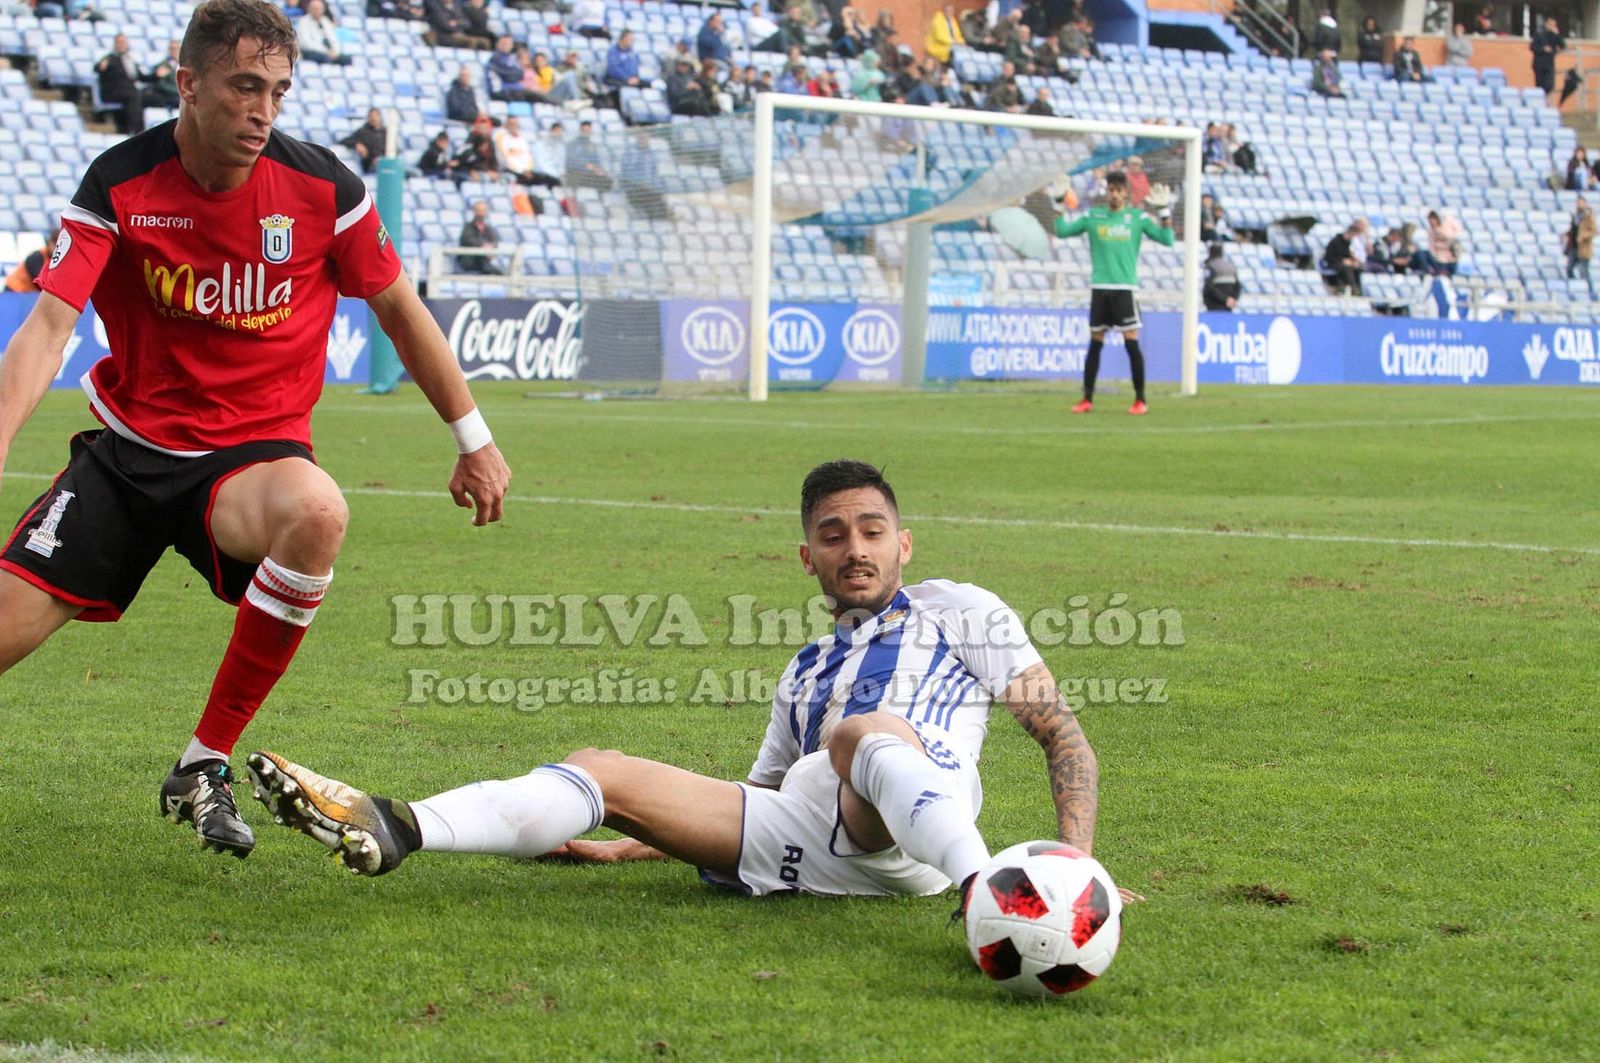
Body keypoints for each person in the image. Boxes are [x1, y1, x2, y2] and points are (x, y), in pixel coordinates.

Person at [0, 0, 510, 858]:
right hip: (127, 459)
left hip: (249, 461)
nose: (263, 110)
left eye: (278, 89)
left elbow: (398, 307)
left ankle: (203, 760)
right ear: (188, 82)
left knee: (319, 511)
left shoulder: (322, 187)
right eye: (244, 86)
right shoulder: (120, 180)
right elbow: (51, 324)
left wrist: (474, 436)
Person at [248, 460, 1127, 920]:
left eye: (872, 530)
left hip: (914, 824)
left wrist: (1078, 866)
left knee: (864, 734)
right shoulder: (803, 672)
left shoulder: (962, 609)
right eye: (832, 534)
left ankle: (992, 895)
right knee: (604, 769)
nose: (854, 547)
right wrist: (628, 841)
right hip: (813, 838)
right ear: (808, 556)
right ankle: (400, 825)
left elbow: (1063, 736)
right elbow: (757, 798)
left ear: (905, 545)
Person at [1054, 170, 1174, 415]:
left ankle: (1140, 400)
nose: (1115, 195)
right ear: (1106, 191)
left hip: (1125, 289)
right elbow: (1062, 231)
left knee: (1131, 343)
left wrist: (1164, 213)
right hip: (1100, 288)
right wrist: (1058, 204)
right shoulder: (1093, 217)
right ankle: (1086, 399)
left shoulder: (1137, 218)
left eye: (1119, 190)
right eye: (1111, 190)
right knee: (1095, 344)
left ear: (1126, 193)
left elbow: (1167, 239)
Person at [95, 33, 146, 134]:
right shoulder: (110, 58)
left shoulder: (130, 59)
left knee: (149, 97)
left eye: (123, 42)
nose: (121, 45)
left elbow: (141, 76)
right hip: (113, 92)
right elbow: (98, 68)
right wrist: (100, 67)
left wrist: (156, 76)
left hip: (128, 91)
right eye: (119, 42)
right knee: (133, 96)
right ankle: (136, 130)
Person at [565, 119, 612, 190]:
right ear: (580, 130)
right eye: (584, 131)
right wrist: (585, 165)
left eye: (588, 131)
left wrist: (598, 169)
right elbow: (570, 161)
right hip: (577, 173)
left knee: (607, 180)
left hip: (590, 174)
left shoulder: (592, 145)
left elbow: (596, 160)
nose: (586, 133)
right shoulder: (573, 144)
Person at [456, 199, 500, 273]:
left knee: (496, 271)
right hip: (470, 260)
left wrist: (490, 247)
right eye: (480, 210)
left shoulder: (488, 229)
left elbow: (494, 241)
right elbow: (468, 240)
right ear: (475, 212)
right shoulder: (468, 227)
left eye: (484, 210)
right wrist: (483, 246)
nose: (482, 213)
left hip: (484, 260)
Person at [339, 106, 386, 173]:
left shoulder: (385, 132)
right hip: (370, 164)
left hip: (385, 161)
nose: (373, 118)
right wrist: (357, 144)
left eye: (376, 116)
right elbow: (344, 141)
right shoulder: (363, 131)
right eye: (371, 116)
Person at [1566, 197, 1596, 299]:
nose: (1579, 205)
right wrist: (1567, 234)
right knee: (1569, 269)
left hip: (1583, 249)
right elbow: (1574, 229)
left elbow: (1594, 231)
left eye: (1581, 203)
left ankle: (1590, 293)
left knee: (1584, 271)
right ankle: (1576, 290)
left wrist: (1583, 236)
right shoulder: (1575, 216)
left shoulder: (1588, 216)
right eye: (1578, 203)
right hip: (1574, 247)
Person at [1322, 221, 1362, 294]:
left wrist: (1353, 261)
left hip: (1343, 264)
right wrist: (1342, 260)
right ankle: (1354, 289)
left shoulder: (1348, 243)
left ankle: (1352, 288)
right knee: (1346, 268)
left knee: (1358, 268)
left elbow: (1348, 255)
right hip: (1333, 263)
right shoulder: (1335, 242)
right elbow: (1329, 257)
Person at [1201, 242, 1239, 311]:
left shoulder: (1210, 266)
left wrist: (1225, 298)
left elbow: (1209, 286)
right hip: (1228, 304)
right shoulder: (1231, 266)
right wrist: (1233, 298)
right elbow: (1238, 285)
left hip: (1214, 304)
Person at [1531, 16, 1563, 98]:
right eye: (1550, 24)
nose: (1552, 26)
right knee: (1539, 85)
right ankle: (1541, 101)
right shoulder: (1539, 34)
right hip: (1539, 63)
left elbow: (1562, 45)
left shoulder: (1555, 35)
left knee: (1550, 84)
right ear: (1546, 24)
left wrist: (1558, 35)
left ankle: (1544, 98)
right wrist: (1543, 49)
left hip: (1549, 64)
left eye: (1554, 25)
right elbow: (1532, 47)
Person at [145, 39, 181, 107]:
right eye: (172, 48)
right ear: (169, 50)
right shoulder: (161, 66)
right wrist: (178, 91)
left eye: (176, 48)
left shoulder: (185, 66)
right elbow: (161, 85)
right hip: (169, 97)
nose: (174, 51)